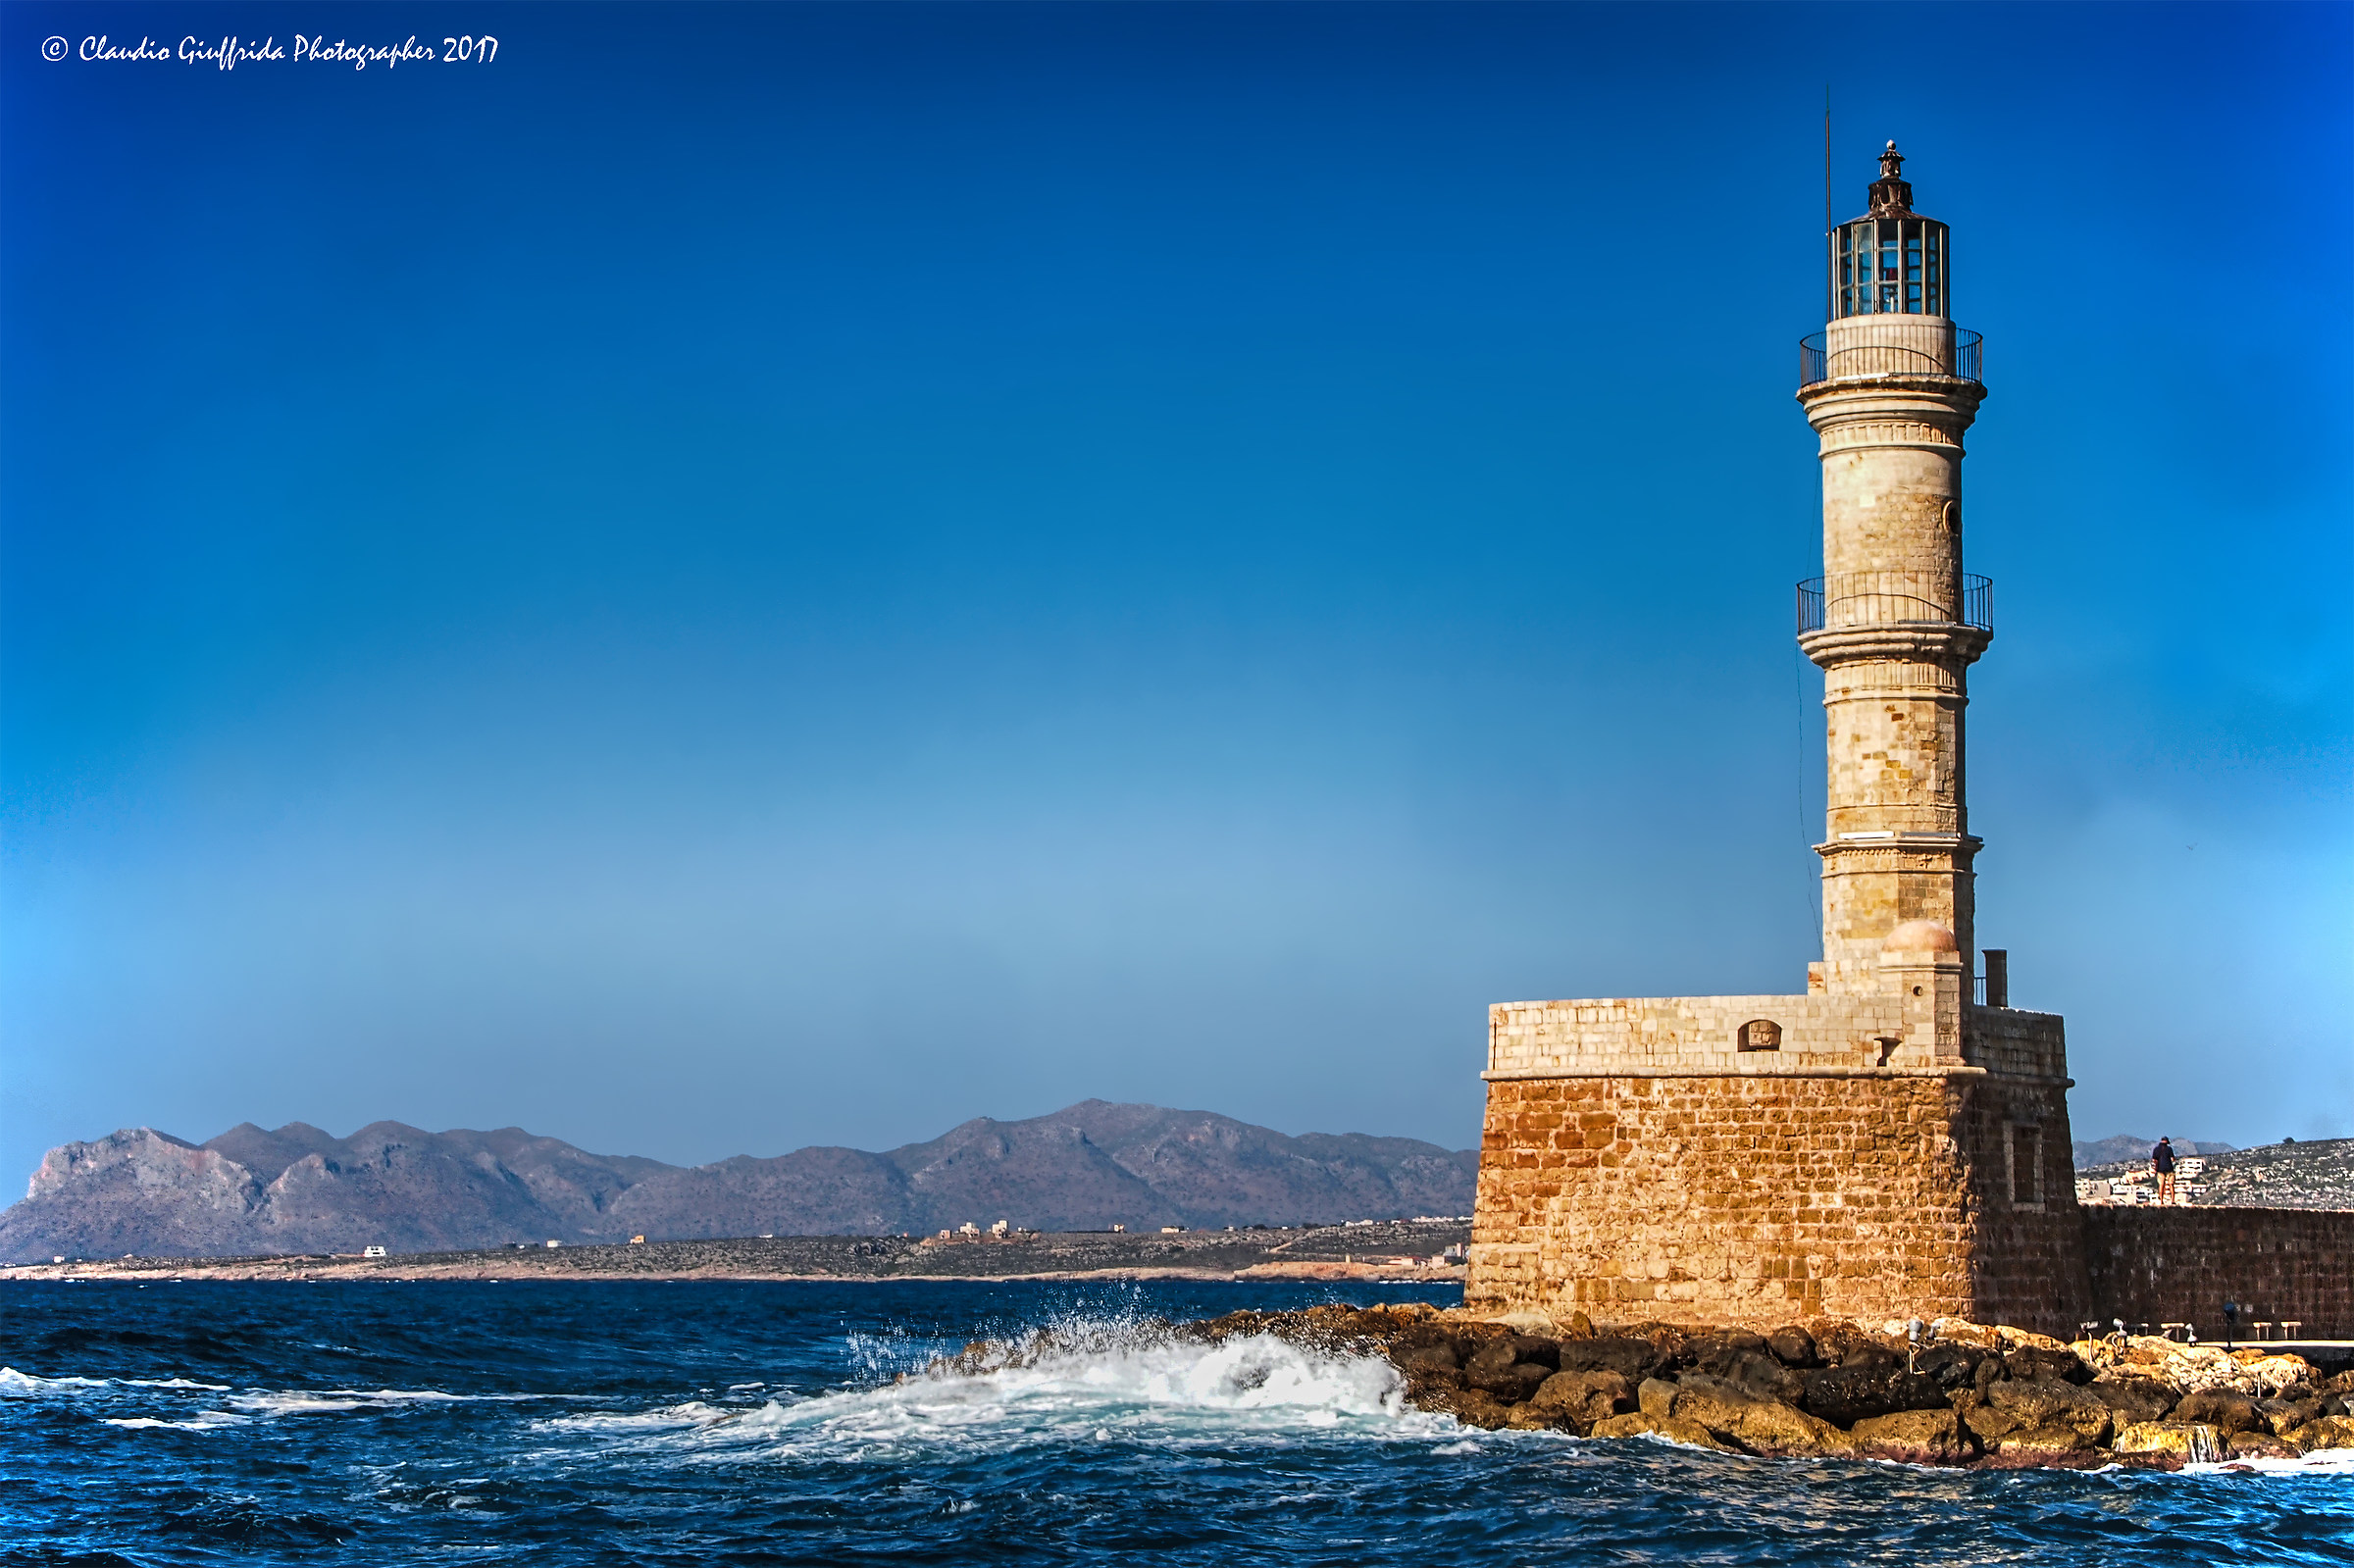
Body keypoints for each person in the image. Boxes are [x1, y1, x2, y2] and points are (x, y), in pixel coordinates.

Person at [2152, 1137, 2177, 1204]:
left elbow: (2154, 1160)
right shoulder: (2169, 1149)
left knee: (2161, 1185)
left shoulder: (2156, 1149)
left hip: (2160, 1169)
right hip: (2169, 1168)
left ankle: (2161, 1201)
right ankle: (2172, 1200)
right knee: (2171, 1184)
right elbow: (2172, 1159)